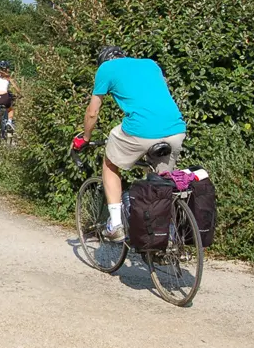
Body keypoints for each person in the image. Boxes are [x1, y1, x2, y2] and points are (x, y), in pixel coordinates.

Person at [71, 46, 187, 240]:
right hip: (176, 129)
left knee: (110, 164)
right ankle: (171, 235)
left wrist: (86, 138)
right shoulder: (150, 64)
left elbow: (92, 112)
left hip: (140, 129)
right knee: (161, 183)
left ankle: (115, 224)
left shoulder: (106, 69)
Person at [0, 60, 20, 129]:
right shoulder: (8, 78)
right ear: (7, 69)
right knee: (10, 109)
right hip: (4, 97)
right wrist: (20, 94)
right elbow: (16, 89)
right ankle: (9, 122)